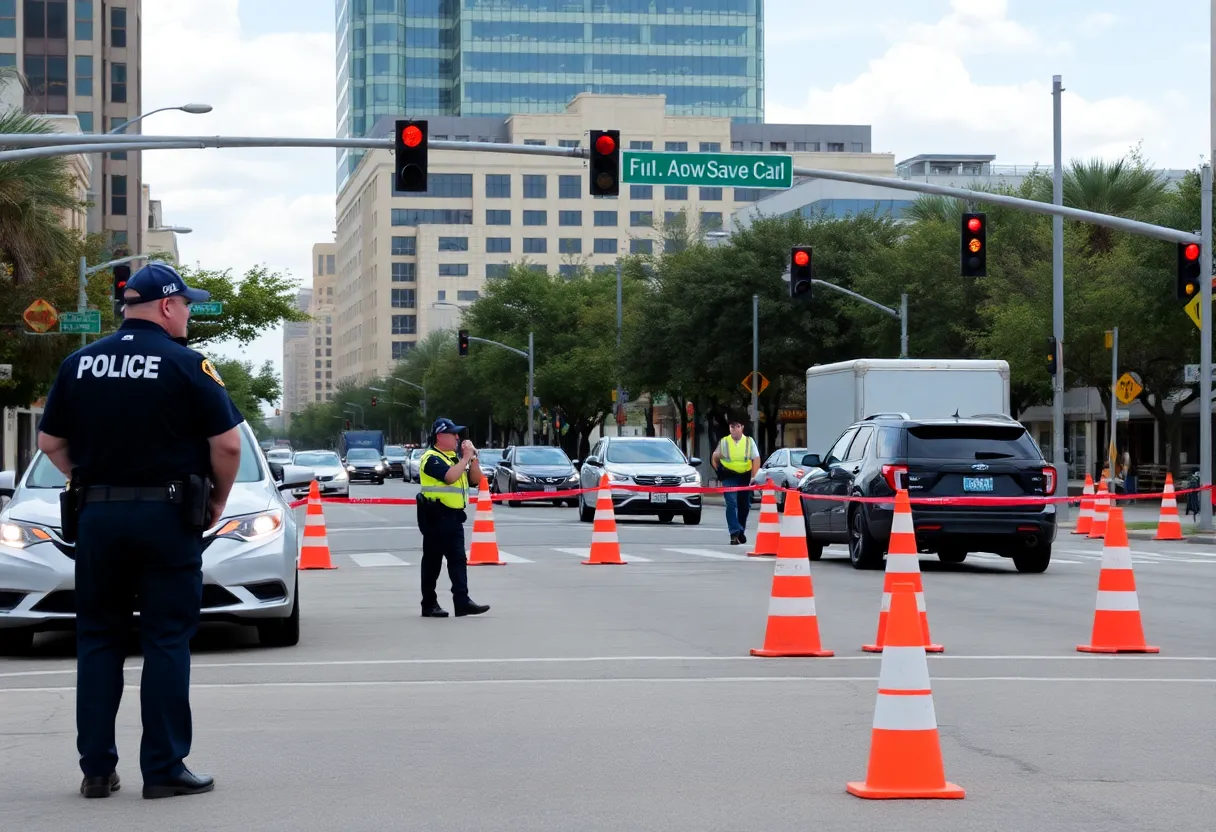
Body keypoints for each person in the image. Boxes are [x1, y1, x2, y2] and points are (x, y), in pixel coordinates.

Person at [36, 262, 244, 800]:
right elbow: (227, 445)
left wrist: (89, 482)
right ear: (168, 306)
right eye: (188, 306)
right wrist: (215, 502)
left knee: (99, 640)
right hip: (167, 518)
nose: (190, 315)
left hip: (99, 519)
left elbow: (49, 444)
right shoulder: (187, 363)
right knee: (166, 639)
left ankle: (97, 770)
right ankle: (164, 767)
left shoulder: (79, 363)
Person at [416, 418, 491, 618]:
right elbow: (449, 477)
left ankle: (462, 601)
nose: (458, 438)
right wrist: (465, 458)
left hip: (454, 517)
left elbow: (476, 479)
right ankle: (429, 604)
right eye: (453, 434)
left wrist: (472, 458)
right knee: (432, 562)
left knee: (458, 559)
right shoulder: (431, 458)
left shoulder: (452, 458)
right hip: (435, 516)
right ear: (440, 437)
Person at [711, 416, 760, 545]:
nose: (734, 429)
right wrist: (718, 471)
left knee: (744, 505)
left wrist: (754, 477)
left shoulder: (749, 442)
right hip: (729, 476)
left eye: (737, 426)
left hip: (745, 476)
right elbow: (715, 457)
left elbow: (756, 459)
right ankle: (734, 533)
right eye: (732, 427)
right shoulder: (724, 441)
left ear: (742, 427)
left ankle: (741, 530)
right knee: (731, 503)